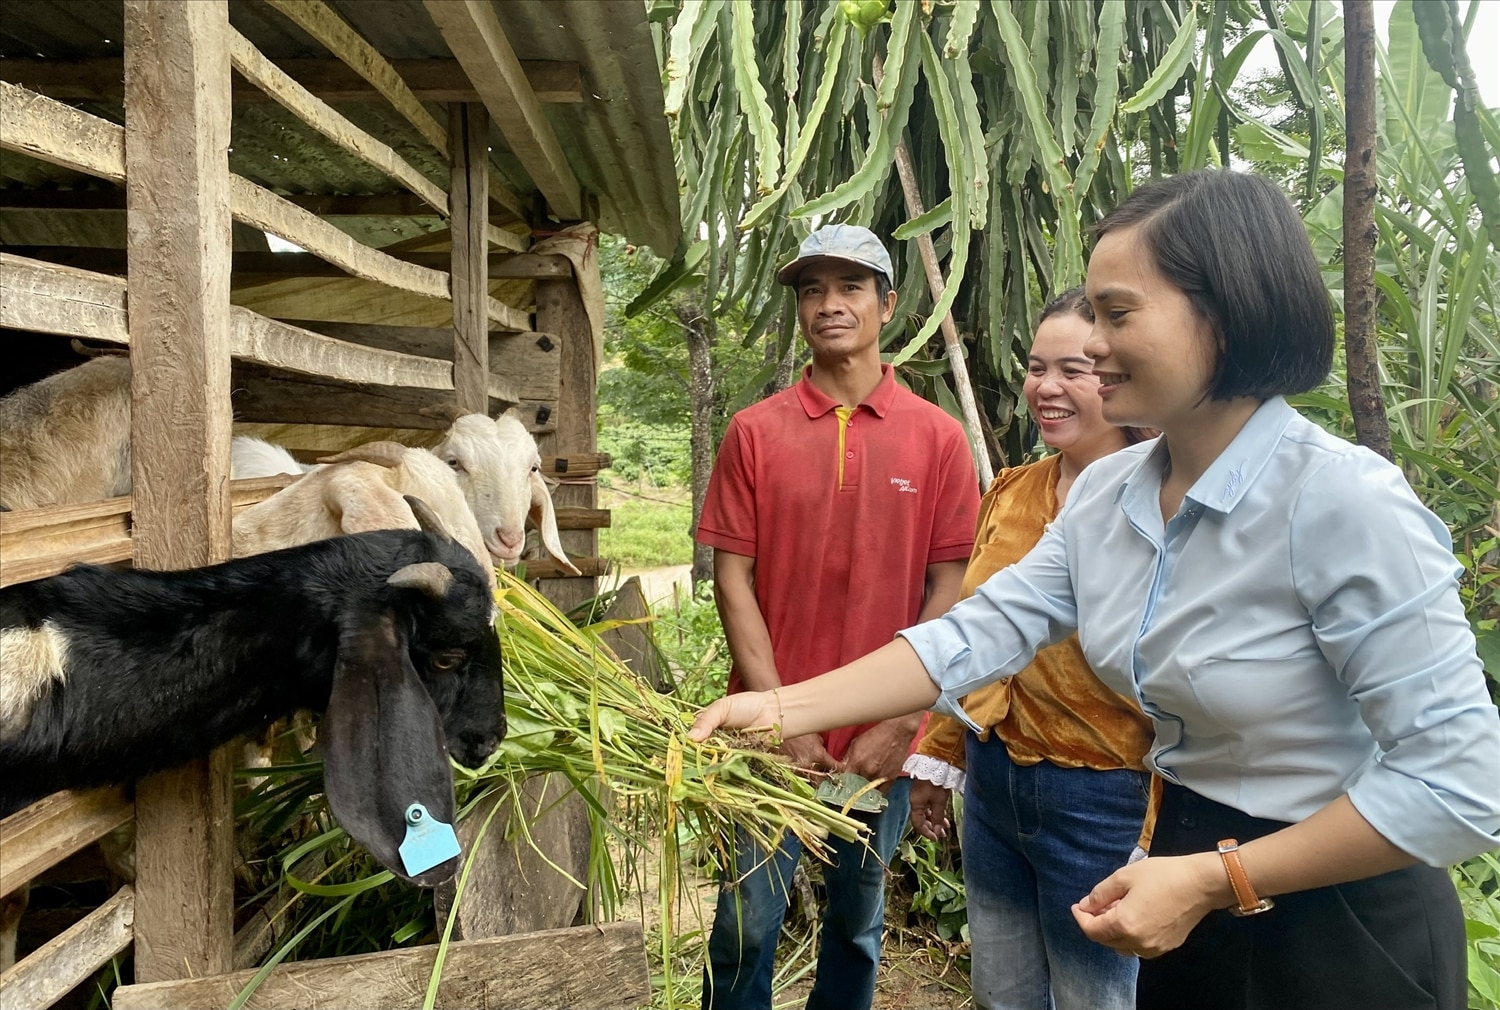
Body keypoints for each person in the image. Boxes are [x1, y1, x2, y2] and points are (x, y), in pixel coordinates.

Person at [689, 170, 1500, 1010]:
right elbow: (973, 635)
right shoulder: (1111, 496)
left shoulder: (1340, 502)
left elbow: (1460, 786)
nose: (1094, 344)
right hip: (1180, 871)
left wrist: (1221, 879)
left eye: (1116, 315)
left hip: (1337, 915)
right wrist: (781, 709)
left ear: (1223, 314)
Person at [695, 223, 980, 1010]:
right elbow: (733, 579)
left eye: (850, 287)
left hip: (879, 737)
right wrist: (781, 718)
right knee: (745, 922)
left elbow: (948, 589)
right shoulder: (755, 432)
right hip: (766, 728)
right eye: (812, 290)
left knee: (856, 919)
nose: (829, 305)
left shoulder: (938, 439)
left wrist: (903, 721)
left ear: (887, 304)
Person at [904, 286, 1156, 1010]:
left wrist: (1158, 836)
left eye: (1073, 370)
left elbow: (1185, 699)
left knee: (1095, 996)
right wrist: (942, 754)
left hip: (1105, 796)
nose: (1047, 388)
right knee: (1002, 991)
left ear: (1116, 373)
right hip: (995, 783)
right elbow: (974, 634)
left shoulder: (1164, 503)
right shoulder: (1013, 491)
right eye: (1037, 367)